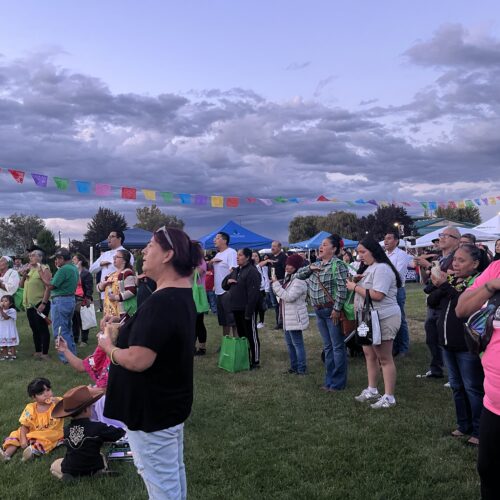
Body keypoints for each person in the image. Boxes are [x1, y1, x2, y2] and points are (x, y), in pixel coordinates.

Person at [98, 226, 201, 499]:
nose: (144, 251)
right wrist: (124, 329)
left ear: (168, 254)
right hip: (167, 405)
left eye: (151, 246)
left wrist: (108, 347)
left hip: (153, 410)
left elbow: (138, 359)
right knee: (170, 474)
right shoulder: (177, 295)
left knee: (160, 482)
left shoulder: (162, 302)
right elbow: (158, 340)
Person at [427, 244, 488, 446]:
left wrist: (445, 286)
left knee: (473, 388)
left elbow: (463, 303)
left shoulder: (477, 282)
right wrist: (439, 282)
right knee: (456, 386)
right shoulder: (453, 280)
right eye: (455, 260)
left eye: (461, 260)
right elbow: (432, 299)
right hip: (447, 343)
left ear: (475, 263)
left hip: (466, 345)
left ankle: (480, 431)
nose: (456, 263)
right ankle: (464, 425)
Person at [456, 258, 500, 499]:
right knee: (488, 471)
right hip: (493, 403)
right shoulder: (496, 268)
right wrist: (491, 286)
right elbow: (461, 309)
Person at [347, 236, 402, 409]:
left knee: (384, 357)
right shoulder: (371, 268)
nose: (360, 255)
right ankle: (372, 389)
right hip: (368, 318)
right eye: (358, 252)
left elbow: (378, 295)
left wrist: (355, 287)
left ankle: (389, 396)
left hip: (383, 317)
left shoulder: (383, 269)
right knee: (369, 355)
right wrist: (358, 282)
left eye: (363, 252)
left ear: (374, 251)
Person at [295, 234, 349, 391]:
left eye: (325, 244)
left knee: (337, 347)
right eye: (321, 244)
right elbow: (298, 275)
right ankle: (329, 381)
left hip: (331, 311)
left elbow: (342, 288)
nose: (321, 246)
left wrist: (337, 309)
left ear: (333, 249)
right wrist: (310, 267)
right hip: (319, 311)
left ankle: (338, 383)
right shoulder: (316, 265)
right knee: (328, 347)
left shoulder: (338, 265)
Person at [50, 385, 125, 480]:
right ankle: (101, 471)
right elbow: (118, 434)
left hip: (71, 468)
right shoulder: (98, 427)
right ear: (86, 410)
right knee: (101, 455)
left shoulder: (66, 430)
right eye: (91, 407)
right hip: (94, 466)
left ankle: (66, 476)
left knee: (54, 465)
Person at [414, 226, 461, 378]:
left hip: (446, 303)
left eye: (446, 236)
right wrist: (424, 267)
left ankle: (451, 373)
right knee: (431, 338)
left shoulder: (457, 258)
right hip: (433, 303)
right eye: (441, 235)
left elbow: (450, 279)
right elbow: (429, 282)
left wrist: (428, 266)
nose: (441, 238)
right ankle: (436, 369)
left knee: (446, 339)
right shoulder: (439, 258)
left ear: (457, 240)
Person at [55, 336, 125, 429]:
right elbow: (81, 366)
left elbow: (110, 388)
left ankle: (112, 428)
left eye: (102, 333)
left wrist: (90, 392)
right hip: (103, 393)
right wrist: (65, 350)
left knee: (95, 401)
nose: (97, 336)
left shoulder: (122, 355)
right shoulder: (102, 351)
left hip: (119, 397)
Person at [1, 377, 63, 462]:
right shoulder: (31, 408)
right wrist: (23, 440)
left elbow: (66, 405)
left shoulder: (56, 404)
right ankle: (7, 454)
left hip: (51, 432)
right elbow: (24, 426)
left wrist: (56, 401)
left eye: (48, 390)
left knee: (44, 440)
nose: (46, 394)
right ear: (34, 398)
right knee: (16, 434)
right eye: (41, 393)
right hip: (32, 431)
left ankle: (31, 453)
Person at [222, 248, 262, 369]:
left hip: (247, 309)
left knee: (251, 335)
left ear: (248, 257)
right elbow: (224, 285)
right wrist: (228, 281)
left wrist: (249, 312)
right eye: (237, 255)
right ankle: (245, 358)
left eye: (240, 255)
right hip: (236, 308)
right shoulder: (236, 270)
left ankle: (255, 361)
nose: (237, 257)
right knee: (242, 335)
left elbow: (253, 295)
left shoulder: (252, 272)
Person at [271, 253, 309, 375]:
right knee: (290, 344)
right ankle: (294, 367)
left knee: (297, 344)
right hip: (288, 316)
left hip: (295, 317)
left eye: (290, 265)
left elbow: (289, 297)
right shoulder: (289, 277)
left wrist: (276, 284)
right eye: (287, 264)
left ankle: (301, 369)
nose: (287, 267)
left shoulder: (299, 280)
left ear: (297, 266)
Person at [39, 248, 79, 363]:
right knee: (67, 329)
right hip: (70, 299)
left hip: (61, 301)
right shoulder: (73, 268)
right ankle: (72, 354)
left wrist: (42, 276)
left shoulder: (63, 270)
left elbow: (50, 286)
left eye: (57, 259)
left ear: (61, 258)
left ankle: (66, 358)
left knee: (60, 331)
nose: (56, 261)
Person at [384, 230, 414, 358]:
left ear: (396, 241)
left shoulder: (401, 255)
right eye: (385, 238)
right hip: (386, 290)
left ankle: (403, 348)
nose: (386, 241)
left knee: (400, 319)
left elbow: (397, 273)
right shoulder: (383, 255)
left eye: (389, 238)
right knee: (390, 320)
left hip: (397, 290)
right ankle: (394, 347)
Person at [19, 249, 52, 360]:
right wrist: (24, 276)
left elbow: (48, 287)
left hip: (40, 303)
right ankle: (38, 350)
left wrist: (43, 303)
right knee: (34, 328)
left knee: (42, 327)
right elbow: (21, 286)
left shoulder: (44, 269)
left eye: (33, 255)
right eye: (30, 256)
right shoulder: (30, 270)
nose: (30, 257)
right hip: (30, 305)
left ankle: (45, 353)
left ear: (40, 257)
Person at [89, 230, 134, 306]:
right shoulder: (105, 254)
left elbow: (129, 270)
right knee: (107, 317)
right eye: (108, 237)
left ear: (119, 239)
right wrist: (101, 264)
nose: (108, 239)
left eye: (112, 236)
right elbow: (91, 270)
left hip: (120, 294)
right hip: (105, 293)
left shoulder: (126, 254)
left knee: (119, 316)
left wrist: (112, 263)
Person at [97, 249, 137, 321]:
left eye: (117, 257)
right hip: (108, 312)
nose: (114, 258)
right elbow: (98, 288)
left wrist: (115, 297)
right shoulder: (110, 275)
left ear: (124, 260)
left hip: (120, 314)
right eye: (114, 257)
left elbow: (131, 292)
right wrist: (102, 285)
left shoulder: (127, 273)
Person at [212, 232, 237, 337]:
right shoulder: (217, 254)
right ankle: (226, 343)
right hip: (218, 291)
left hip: (228, 291)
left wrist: (228, 283)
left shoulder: (231, 252)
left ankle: (236, 341)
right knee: (223, 320)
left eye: (217, 238)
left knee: (232, 319)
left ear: (224, 240)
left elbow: (234, 270)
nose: (214, 240)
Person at [260, 241, 287, 329]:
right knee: (275, 304)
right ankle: (278, 322)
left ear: (279, 247)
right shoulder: (270, 256)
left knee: (281, 303)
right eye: (272, 246)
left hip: (280, 282)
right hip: (271, 282)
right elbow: (260, 265)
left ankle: (282, 322)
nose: (272, 248)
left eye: (274, 246)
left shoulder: (283, 257)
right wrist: (267, 260)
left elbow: (286, 270)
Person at [72, 253, 94, 347]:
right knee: (74, 320)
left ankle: (84, 340)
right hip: (73, 298)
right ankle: (75, 338)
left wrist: (87, 298)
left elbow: (89, 288)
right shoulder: (74, 272)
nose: (73, 261)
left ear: (80, 261)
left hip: (82, 299)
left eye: (75, 260)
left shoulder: (86, 273)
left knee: (83, 320)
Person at [194, 257, 208, 356]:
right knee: (191, 323)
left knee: (198, 323)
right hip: (189, 295)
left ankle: (202, 347)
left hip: (197, 296)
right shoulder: (188, 260)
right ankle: (192, 346)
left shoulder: (201, 261)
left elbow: (193, 275)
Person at [252, 251, 270, 329]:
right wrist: (267, 260)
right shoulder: (252, 267)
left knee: (261, 307)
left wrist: (267, 288)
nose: (255, 258)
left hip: (262, 289)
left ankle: (261, 321)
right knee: (254, 307)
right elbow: (258, 266)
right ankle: (254, 321)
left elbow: (266, 278)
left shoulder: (264, 267)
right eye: (253, 256)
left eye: (256, 256)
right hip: (253, 289)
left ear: (259, 257)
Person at [0, 295, 19, 360]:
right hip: (2, 330)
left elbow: (6, 317)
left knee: (11, 344)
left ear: (10, 303)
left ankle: (13, 355)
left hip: (10, 330)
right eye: (2, 301)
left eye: (6, 301)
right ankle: (5, 355)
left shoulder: (12, 310)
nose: (3, 302)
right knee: (3, 344)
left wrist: (1, 310)